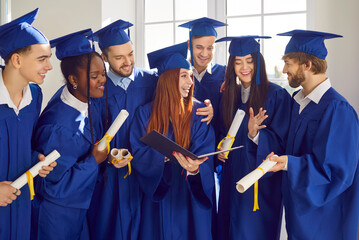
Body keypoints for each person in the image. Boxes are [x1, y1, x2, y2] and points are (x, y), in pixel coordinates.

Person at [266, 29, 359, 240]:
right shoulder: (299, 104)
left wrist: (290, 163)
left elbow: (337, 174)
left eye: (288, 63)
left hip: (326, 220)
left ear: (307, 65)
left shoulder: (337, 109)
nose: (284, 70)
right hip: (300, 214)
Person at [130, 41, 215, 240]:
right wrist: (162, 158)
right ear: (167, 80)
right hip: (159, 194)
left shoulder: (199, 111)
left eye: (191, 76)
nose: (190, 82)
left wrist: (195, 168)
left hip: (188, 197)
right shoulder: (145, 114)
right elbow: (138, 153)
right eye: (184, 76)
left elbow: (205, 152)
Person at [31, 29, 109, 240]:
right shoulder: (58, 126)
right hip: (56, 217)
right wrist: (94, 160)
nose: (103, 80)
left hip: (77, 208)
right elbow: (54, 187)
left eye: (103, 73)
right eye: (94, 76)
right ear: (73, 79)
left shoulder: (84, 100)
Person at [86, 19, 158, 240]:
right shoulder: (98, 89)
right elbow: (92, 133)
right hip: (111, 175)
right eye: (119, 58)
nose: (128, 62)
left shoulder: (152, 81)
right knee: (111, 227)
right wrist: (108, 158)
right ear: (105, 58)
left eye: (130, 54)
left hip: (146, 170)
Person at [215, 36, 291, 240]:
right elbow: (223, 132)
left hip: (259, 184)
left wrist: (255, 134)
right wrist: (221, 146)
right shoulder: (229, 95)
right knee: (228, 228)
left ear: (258, 62)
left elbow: (283, 143)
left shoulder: (276, 95)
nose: (244, 67)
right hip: (231, 178)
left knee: (253, 232)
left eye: (249, 60)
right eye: (238, 62)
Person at [0, 8, 56, 240]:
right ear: (17, 60)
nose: (49, 67)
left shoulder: (34, 96)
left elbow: (22, 145)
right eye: (42, 59)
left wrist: (37, 161)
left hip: (19, 203)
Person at [179, 17, 226, 126]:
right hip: (181, 137)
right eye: (199, 47)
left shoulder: (224, 74)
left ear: (215, 47)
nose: (204, 54)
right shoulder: (178, 73)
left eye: (210, 48)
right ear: (189, 45)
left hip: (216, 139)